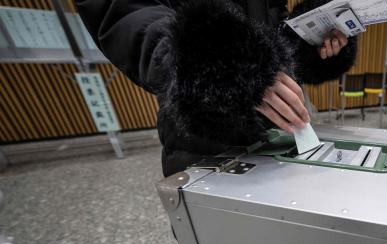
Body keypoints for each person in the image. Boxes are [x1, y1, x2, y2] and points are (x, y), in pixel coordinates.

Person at [76, 0, 358, 176]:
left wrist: (308, 41)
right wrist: (230, 65)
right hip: (205, 130)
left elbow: (271, 21)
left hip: (275, 129)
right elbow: (125, 13)